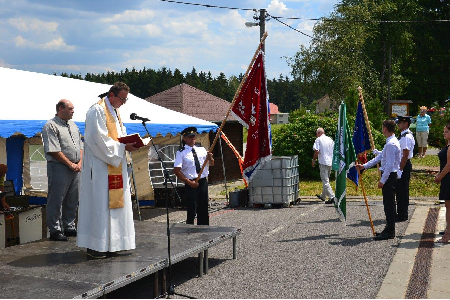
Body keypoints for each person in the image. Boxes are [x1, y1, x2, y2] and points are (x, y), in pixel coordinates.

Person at [77, 82, 139, 259]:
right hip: (100, 166)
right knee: (100, 204)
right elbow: (97, 139)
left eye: (125, 100)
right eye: (122, 99)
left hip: (115, 165)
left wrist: (129, 144)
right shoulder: (97, 110)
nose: (123, 103)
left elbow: (118, 137)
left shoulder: (115, 112)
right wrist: (122, 147)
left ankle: (114, 243)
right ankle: (96, 244)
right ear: (111, 95)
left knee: (114, 206)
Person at [41, 99, 83, 241]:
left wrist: (80, 162)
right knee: (56, 198)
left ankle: (69, 226)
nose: (73, 111)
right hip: (59, 166)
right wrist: (70, 164)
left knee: (73, 197)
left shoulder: (74, 126)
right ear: (60, 109)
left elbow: (81, 146)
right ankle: (55, 230)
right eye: (70, 108)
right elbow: (53, 150)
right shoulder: (50, 125)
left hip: (75, 167)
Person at [356, 120, 401, 240]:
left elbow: (390, 165)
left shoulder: (391, 144)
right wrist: (364, 166)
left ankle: (390, 231)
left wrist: (383, 180)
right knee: (388, 204)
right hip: (389, 176)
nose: (382, 130)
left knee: (389, 204)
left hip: (390, 176)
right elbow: (380, 157)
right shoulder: (390, 142)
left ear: (385, 129)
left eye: (383, 128)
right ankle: (388, 228)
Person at [174, 127, 214, 225]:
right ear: (184, 138)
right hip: (191, 182)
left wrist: (210, 158)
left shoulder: (201, 149)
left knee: (203, 207)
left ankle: (204, 228)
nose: (192, 138)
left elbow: (211, 164)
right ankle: (190, 228)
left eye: (193, 136)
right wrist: (189, 182)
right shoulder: (181, 152)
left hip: (202, 181)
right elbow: (176, 171)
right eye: (189, 137)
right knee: (192, 209)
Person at [395, 116, 415, 222]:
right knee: (399, 190)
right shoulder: (403, 135)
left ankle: (403, 214)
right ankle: (401, 212)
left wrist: (400, 169)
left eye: (401, 123)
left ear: (406, 123)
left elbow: (405, 155)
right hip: (402, 164)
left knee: (402, 190)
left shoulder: (406, 137)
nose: (398, 124)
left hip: (404, 165)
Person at [434, 123, 450, 243]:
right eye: (444, 131)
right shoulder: (448, 145)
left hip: (448, 178)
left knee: (449, 207)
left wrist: (439, 176)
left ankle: (447, 234)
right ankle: (447, 229)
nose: (444, 133)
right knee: (447, 205)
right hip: (446, 178)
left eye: (446, 131)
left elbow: (449, 165)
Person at [312, 128, 335, 204]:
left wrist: (314, 160)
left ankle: (332, 197)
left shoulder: (318, 139)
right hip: (330, 161)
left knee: (325, 181)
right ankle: (323, 196)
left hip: (323, 161)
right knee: (326, 179)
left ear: (318, 133)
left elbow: (317, 150)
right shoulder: (330, 139)